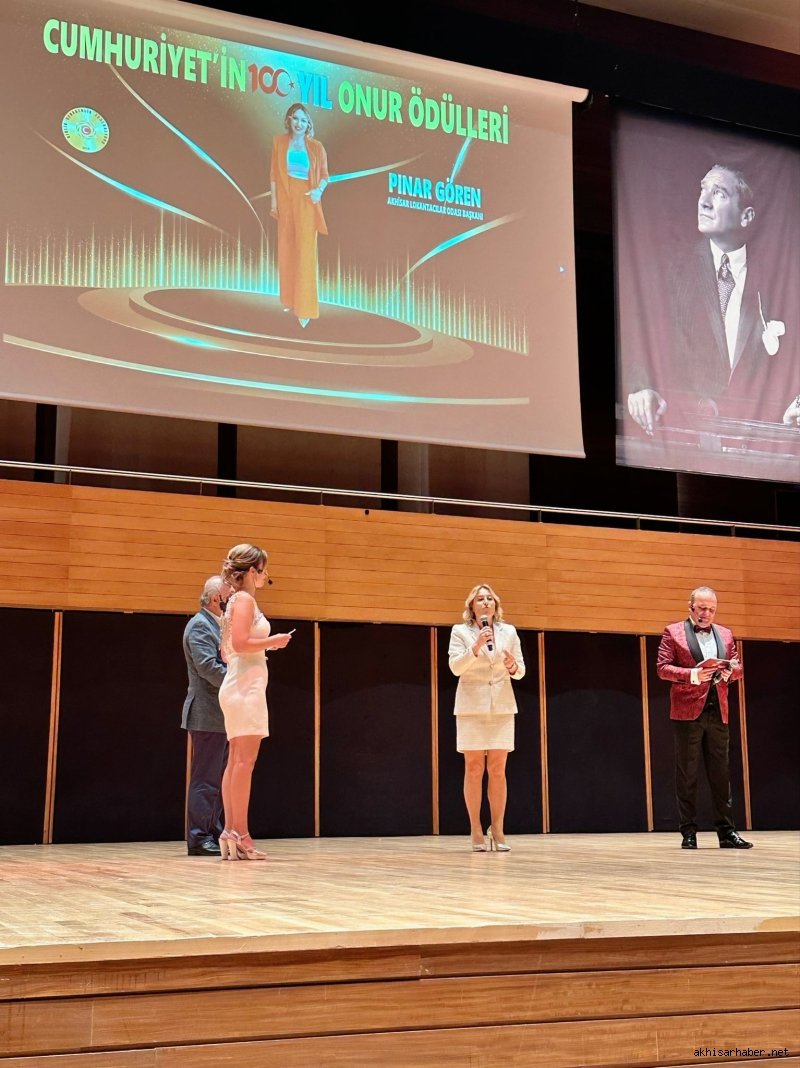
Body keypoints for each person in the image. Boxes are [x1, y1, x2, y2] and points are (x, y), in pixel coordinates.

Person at [626, 164, 799, 433]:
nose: (703, 202)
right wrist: (640, 388)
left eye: (719, 193)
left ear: (746, 216)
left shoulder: (779, 280)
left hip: (758, 439)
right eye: (703, 190)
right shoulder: (671, 269)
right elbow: (641, 336)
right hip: (682, 434)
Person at [656, 586, 753, 850]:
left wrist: (730, 672)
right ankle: (688, 832)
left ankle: (727, 832)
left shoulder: (726, 634)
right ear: (690, 607)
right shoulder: (673, 632)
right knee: (687, 774)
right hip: (687, 713)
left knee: (721, 774)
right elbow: (662, 668)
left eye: (711, 609)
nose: (706, 613)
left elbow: (738, 666)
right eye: (702, 608)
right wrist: (692, 675)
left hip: (718, 711)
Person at [218, 543, 293, 860]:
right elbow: (239, 643)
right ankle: (241, 833)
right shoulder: (245, 599)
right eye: (263, 570)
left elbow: (226, 650)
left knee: (236, 760)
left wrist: (262, 647)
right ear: (252, 571)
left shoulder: (233, 601)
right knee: (243, 762)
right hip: (245, 686)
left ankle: (230, 831)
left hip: (237, 681)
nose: (265, 576)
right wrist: (273, 641)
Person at [448, 584, 525, 852]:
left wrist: (512, 666)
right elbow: (455, 667)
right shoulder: (460, 631)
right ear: (471, 606)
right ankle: (475, 828)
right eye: (480, 599)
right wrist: (476, 646)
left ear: (495, 604)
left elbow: (521, 670)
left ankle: (498, 828)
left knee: (498, 770)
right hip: (471, 707)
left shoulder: (509, 632)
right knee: (473, 769)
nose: (485, 602)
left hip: (501, 707)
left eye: (489, 598)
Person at [181, 575, 231, 857]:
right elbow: (208, 668)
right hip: (207, 713)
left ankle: (212, 832)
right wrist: (240, 680)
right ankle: (199, 837)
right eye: (228, 596)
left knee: (219, 780)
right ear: (215, 598)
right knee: (206, 779)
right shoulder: (200, 625)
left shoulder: (217, 625)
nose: (232, 601)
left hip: (221, 714)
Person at [270, 103, 329, 328]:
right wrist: (275, 204)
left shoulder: (316, 147)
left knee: (305, 253)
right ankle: (289, 300)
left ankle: (305, 309)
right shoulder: (279, 142)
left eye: (303, 120)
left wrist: (318, 191)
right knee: (286, 249)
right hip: (286, 199)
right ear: (289, 120)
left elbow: (325, 176)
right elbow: (273, 175)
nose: (299, 123)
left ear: (308, 124)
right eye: (295, 119)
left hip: (306, 199)